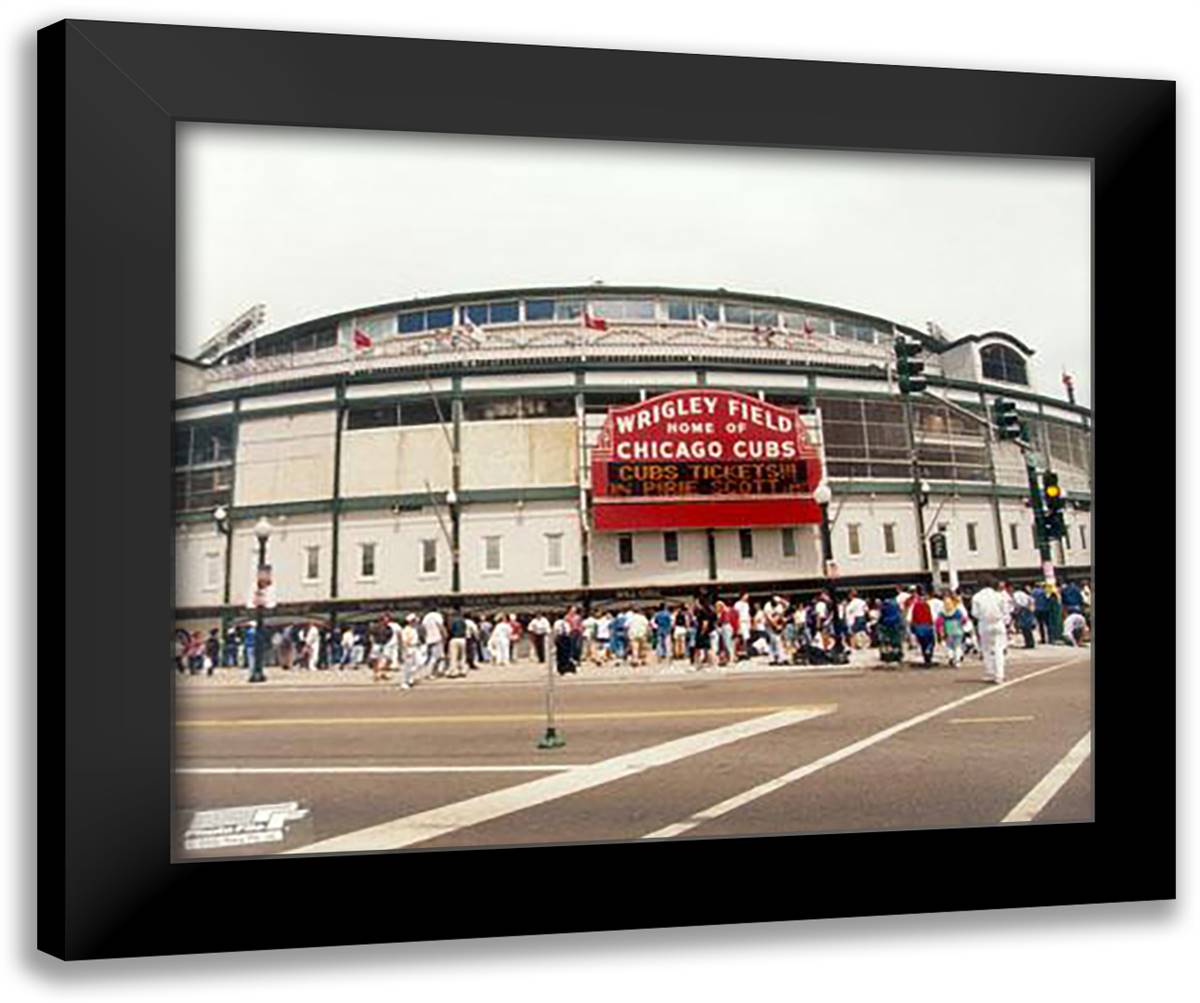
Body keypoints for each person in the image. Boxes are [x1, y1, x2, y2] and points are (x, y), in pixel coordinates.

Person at [971, 578, 1009, 684]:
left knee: (986, 649)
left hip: (984, 624)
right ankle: (999, 675)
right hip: (998, 623)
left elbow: (974, 613)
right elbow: (1005, 610)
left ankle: (990, 672)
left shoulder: (977, 597)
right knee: (999, 649)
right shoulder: (999, 596)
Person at [909, 586, 936, 666]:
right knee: (931, 642)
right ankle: (928, 653)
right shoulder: (927, 605)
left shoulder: (915, 606)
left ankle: (926, 658)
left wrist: (913, 626)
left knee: (922, 643)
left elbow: (913, 617)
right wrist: (931, 624)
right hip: (927, 626)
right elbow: (930, 616)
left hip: (918, 626)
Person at [878, 590, 905, 665]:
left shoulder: (885, 604)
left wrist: (879, 622)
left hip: (887, 624)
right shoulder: (896, 603)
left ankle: (889, 655)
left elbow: (882, 615)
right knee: (896, 639)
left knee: (887, 640)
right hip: (896, 623)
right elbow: (900, 613)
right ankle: (897, 654)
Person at [941, 593, 966, 668]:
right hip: (958, 627)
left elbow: (939, 621)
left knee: (950, 645)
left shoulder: (944, 611)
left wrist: (942, 630)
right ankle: (957, 661)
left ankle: (951, 656)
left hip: (948, 627)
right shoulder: (957, 610)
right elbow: (964, 619)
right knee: (957, 645)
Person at [422, 607, 446, 676]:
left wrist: (425, 637)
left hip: (429, 639)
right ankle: (431, 673)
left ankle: (435, 671)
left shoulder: (426, 617)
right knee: (436, 657)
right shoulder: (437, 616)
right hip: (437, 638)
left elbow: (423, 629)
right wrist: (444, 634)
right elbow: (440, 626)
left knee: (431, 656)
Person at [1011, 583, 1037, 648]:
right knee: (1028, 627)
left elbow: (1017, 603)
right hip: (1028, 610)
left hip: (1023, 611)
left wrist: (1016, 611)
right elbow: (1032, 600)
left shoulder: (1016, 594)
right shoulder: (1025, 594)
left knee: (1024, 628)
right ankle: (1031, 642)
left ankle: (1028, 643)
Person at [446, 608, 468, 678]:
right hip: (462, 639)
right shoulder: (463, 621)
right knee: (462, 656)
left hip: (454, 638)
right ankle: (463, 670)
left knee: (453, 656)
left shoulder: (452, 621)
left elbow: (450, 630)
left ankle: (454, 671)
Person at [734, 593, 752, 660]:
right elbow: (736, 614)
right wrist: (737, 624)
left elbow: (748, 614)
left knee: (746, 639)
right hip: (740, 622)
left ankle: (745, 652)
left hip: (746, 623)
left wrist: (749, 623)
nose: (747, 597)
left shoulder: (747, 604)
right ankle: (737, 653)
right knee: (739, 638)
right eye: (745, 596)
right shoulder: (737, 604)